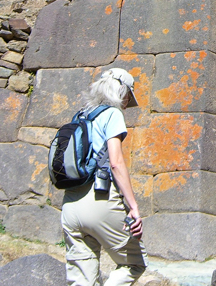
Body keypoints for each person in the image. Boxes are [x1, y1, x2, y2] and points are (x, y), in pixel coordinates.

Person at [61, 67, 148, 286]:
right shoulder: (112, 114)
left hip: (70, 204)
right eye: (128, 96)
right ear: (121, 91)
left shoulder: (80, 115)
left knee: (81, 279)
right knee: (134, 264)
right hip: (99, 200)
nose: (128, 102)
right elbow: (116, 163)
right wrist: (134, 206)